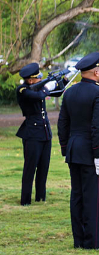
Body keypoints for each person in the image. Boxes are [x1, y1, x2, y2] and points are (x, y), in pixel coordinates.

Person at [58, 52, 99, 249]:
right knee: (94, 198)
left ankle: (79, 240)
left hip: (74, 149)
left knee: (78, 196)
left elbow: (62, 123)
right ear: (96, 72)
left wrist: (65, 147)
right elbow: (98, 128)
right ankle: (93, 242)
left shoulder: (70, 92)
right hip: (91, 151)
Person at [16, 63, 65, 205]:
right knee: (30, 168)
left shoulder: (38, 87)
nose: (39, 79)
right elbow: (37, 96)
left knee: (44, 168)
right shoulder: (23, 90)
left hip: (45, 133)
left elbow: (58, 92)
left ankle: (40, 197)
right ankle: (25, 200)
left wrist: (62, 80)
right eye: (37, 78)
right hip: (32, 134)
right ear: (30, 80)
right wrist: (46, 87)